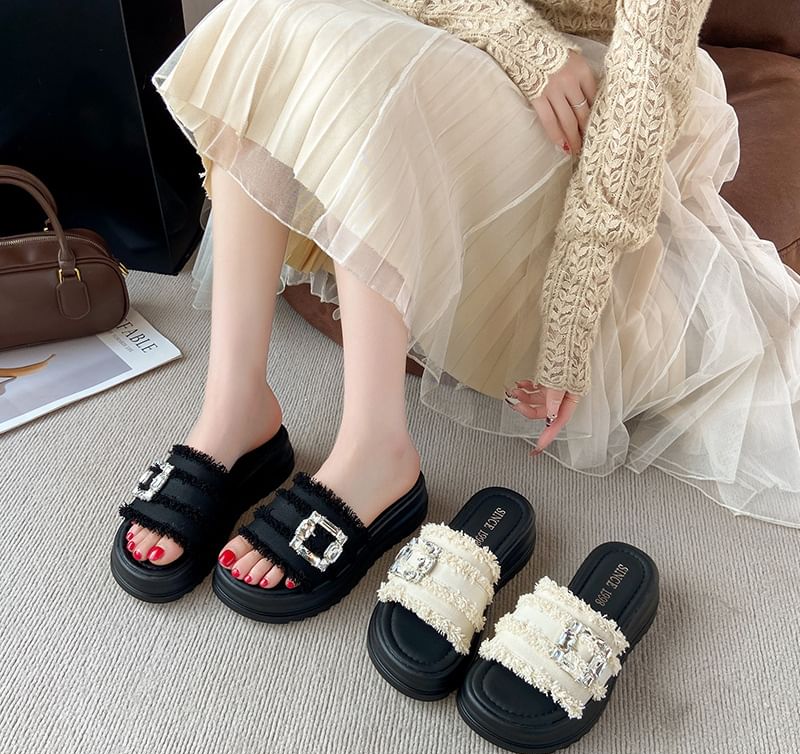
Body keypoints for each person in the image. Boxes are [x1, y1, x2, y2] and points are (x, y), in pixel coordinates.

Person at [120, 0, 800, 595]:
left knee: (365, 68)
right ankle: (236, 407)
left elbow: (640, 98)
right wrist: (520, 42)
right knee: (266, 14)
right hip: (481, 29)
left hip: (597, 114)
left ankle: (375, 449)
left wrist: (570, 314)